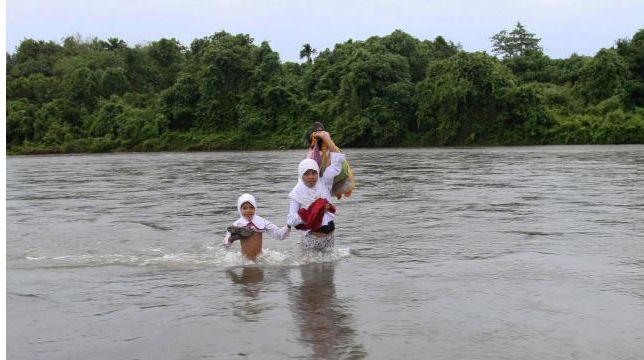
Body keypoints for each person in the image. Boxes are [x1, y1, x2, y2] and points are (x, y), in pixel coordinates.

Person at [287, 131, 346, 252]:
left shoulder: (324, 182)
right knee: (308, 269)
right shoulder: (297, 193)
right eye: (307, 174)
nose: (311, 177)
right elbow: (291, 219)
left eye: (313, 172)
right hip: (311, 239)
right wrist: (313, 211)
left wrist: (327, 140)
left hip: (329, 236)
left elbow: (336, 164)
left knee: (329, 269)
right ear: (301, 175)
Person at [223, 193, 291, 260]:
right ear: (239, 209)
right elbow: (225, 245)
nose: (248, 210)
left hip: (259, 258)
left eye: (251, 207)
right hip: (245, 260)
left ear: (255, 207)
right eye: (244, 208)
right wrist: (231, 239)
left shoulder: (262, 222)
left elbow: (279, 235)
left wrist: (288, 226)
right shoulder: (236, 225)